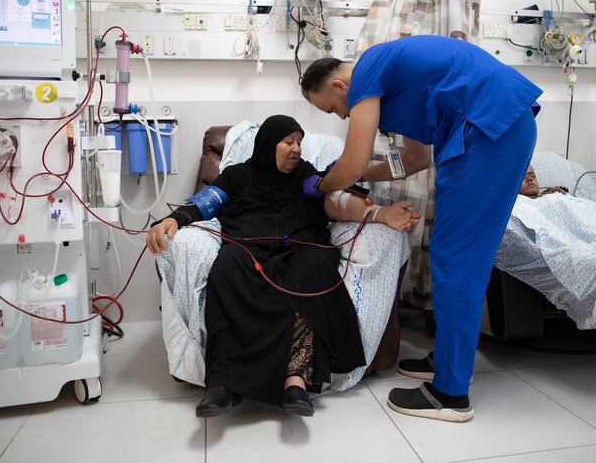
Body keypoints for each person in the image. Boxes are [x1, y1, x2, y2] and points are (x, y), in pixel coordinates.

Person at [300, 35, 542, 422]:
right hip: (495, 128)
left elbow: (352, 159)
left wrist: (324, 184)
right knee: (458, 257)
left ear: (339, 86)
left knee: (455, 260)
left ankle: (450, 394)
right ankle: (449, 360)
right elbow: (411, 160)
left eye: (334, 109)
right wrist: (353, 177)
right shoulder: (395, 88)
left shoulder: (367, 71)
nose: (342, 117)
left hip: (487, 132)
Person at [146, 115, 420, 418]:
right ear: (267, 144)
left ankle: (296, 382)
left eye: (300, 143)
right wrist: (174, 219)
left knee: (316, 264)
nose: (296, 149)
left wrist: (381, 214)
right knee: (226, 265)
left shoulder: (307, 178)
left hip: (303, 251)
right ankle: (223, 384)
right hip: (247, 252)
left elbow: (337, 202)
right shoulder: (237, 176)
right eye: (288, 141)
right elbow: (203, 203)